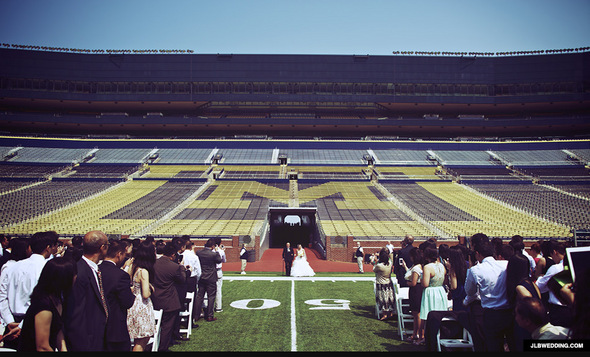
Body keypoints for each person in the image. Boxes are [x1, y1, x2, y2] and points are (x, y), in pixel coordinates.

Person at [0, 231, 58, 350]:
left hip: (11, 322)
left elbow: (2, 296)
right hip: (34, 323)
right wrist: (21, 326)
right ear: (48, 248)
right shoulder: (47, 268)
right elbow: (40, 300)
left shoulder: (11, 267)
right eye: (55, 246)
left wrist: (9, 321)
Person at [17, 257, 76, 352]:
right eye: (73, 274)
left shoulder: (56, 298)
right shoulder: (44, 306)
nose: (75, 277)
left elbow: (58, 329)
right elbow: (42, 347)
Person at [63, 230, 110, 351]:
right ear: (102, 247)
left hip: (98, 335)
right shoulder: (80, 271)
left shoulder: (93, 269)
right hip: (86, 340)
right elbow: (75, 312)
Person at [464, 241, 514, 352]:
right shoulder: (506, 264)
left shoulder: (476, 270)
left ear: (477, 253)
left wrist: (466, 301)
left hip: (490, 313)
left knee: (492, 345)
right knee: (511, 344)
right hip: (508, 312)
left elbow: (470, 292)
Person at [99, 239, 136, 351]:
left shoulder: (96, 270)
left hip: (97, 327)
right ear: (119, 254)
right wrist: (131, 293)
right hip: (115, 327)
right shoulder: (120, 275)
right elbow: (127, 302)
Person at [151, 242, 187, 352]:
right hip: (169, 300)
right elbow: (182, 280)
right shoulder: (175, 267)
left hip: (154, 298)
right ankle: (163, 348)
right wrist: (182, 268)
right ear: (172, 255)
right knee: (167, 326)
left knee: (156, 325)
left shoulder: (153, 264)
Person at [506, 253, 541, 351]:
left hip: (524, 326)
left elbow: (530, 303)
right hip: (533, 325)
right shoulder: (532, 283)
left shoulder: (520, 287)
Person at [127, 240, 157, 352]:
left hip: (133, 304)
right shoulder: (143, 271)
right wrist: (151, 289)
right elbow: (145, 294)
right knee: (142, 341)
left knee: (137, 339)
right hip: (142, 307)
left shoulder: (133, 267)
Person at [535, 241, 571, 328]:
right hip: (574, 307)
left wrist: (540, 277)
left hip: (558, 310)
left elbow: (539, 286)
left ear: (555, 252)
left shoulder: (555, 268)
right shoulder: (574, 265)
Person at [419, 247, 447, 345]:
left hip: (430, 292)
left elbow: (425, 284)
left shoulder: (427, 267)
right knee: (439, 315)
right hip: (440, 290)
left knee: (429, 315)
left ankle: (429, 338)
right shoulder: (441, 265)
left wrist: (421, 279)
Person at [193, 238, 222, 325]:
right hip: (211, 277)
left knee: (200, 296)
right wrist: (217, 251)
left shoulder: (199, 252)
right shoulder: (213, 254)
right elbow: (219, 260)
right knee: (211, 296)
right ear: (213, 246)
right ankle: (209, 315)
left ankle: (196, 315)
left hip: (202, 276)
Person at [403, 247, 424, 343]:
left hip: (416, 290)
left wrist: (407, 283)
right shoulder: (416, 266)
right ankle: (415, 333)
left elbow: (414, 282)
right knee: (415, 314)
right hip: (415, 290)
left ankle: (418, 334)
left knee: (417, 314)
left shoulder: (416, 267)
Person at [372, 248, 394, 321]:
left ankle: (384, 314)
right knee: (389, 298)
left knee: (383, 299)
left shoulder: (380, 266)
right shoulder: (390, 264)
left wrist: (375, 261)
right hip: (388, 283)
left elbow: (374, 269)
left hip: (381, 284)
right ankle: (390, 313)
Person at [446, 245, 468, 312]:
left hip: (458, 293)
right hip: (466, 291)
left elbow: (454, 286)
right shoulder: (467, 264)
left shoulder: (453, 268)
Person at [213, 237, 226, 313]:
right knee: (218, 289)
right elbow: (224, 260)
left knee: (207, 289)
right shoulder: (221, 251)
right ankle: (218, 307)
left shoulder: (211, 250)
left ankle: (206, 306)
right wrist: (223, 251)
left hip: (210, 271)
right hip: (218, 271)